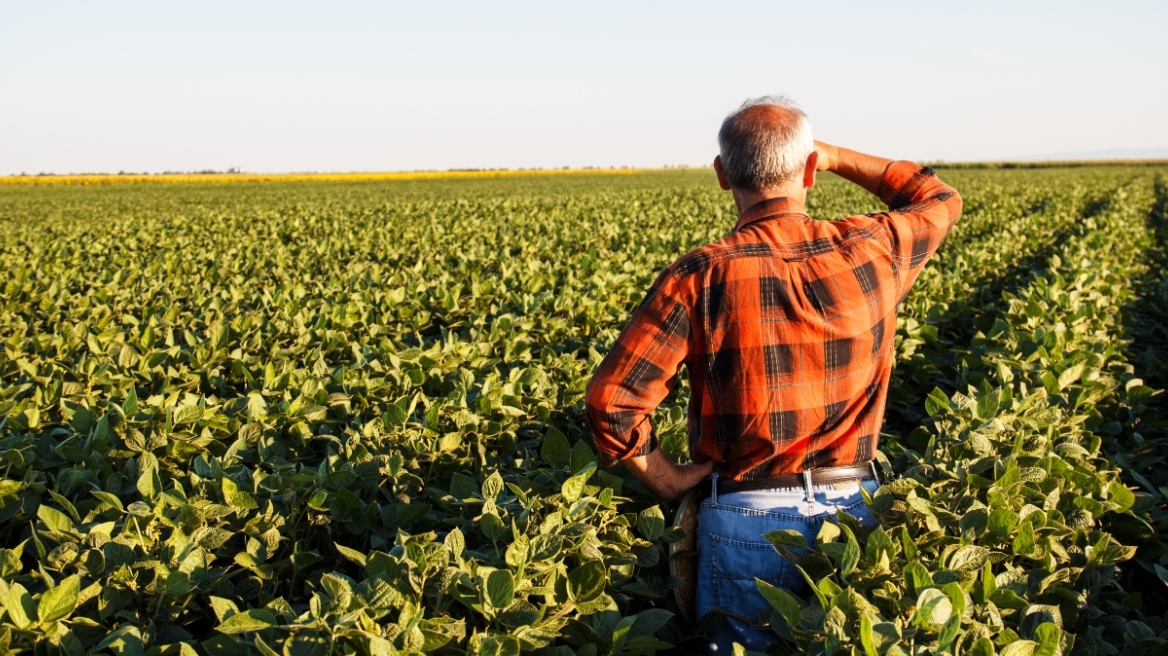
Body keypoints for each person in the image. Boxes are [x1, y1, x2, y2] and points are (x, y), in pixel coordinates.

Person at [584, 96, 962, 652]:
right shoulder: (873, 248)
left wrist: (667, 478)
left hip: (742, 516)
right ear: (810, 169)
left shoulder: (698, 275)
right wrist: (834, 155)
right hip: (852, 512)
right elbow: (938, 197)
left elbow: (612, 403)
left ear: (721, 175)